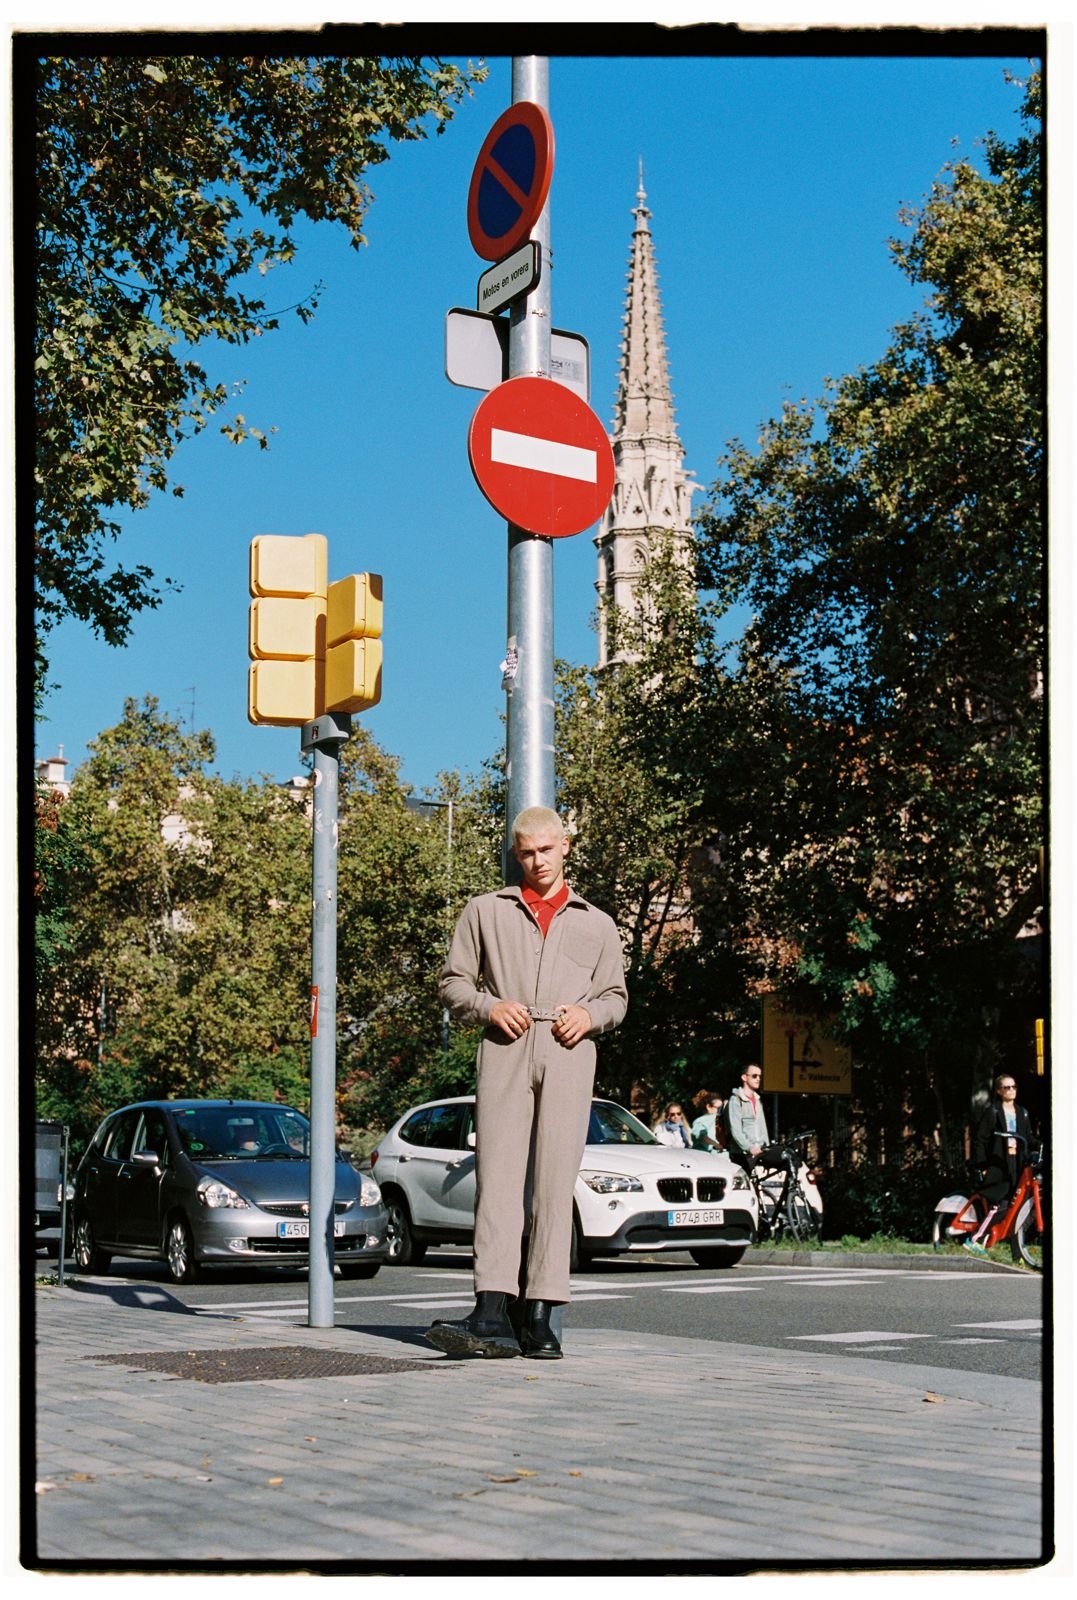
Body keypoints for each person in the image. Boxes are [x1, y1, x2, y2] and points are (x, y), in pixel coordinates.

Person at [426, 807, 628, 1360]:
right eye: (526, 852)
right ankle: (491, 1310)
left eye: (546, 849)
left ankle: (540, 1317)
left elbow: (616, 997)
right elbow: (452, 983)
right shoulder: (484, 911)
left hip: (569, 1053)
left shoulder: (597, 922)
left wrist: (590, 1017)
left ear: (565, 847)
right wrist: (490, 1007)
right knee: (498, 1181)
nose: (537, 861)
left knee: (554, 1187)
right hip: (505, 1050)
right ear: (516, 854)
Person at [963, 1074, 1034, 1255]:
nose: (1011, 1090)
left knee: (1016, 1205)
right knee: (1000, 1202)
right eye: (1006, 1088)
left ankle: (1016, 1251)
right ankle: (975, 1239)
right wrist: (982, 1165)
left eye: (1014, 1087)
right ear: (999, 1091)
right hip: (999, 1163)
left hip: (1017, 1164)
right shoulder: (993, 1112)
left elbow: (1029, 1138)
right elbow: (981, 1139)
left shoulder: (1022, 1113)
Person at [726, 1063, 771, 1173]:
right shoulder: (735, 1100)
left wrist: (767, 1146)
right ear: (744, 1077)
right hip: (742, 1154)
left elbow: (762, 1126)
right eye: (754, 1076)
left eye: (760, 1076)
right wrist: (749, 1148)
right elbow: (735, 1130)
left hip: (759, 1151)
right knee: (745, 1186)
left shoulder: (757, 1099)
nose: (758, 1079)